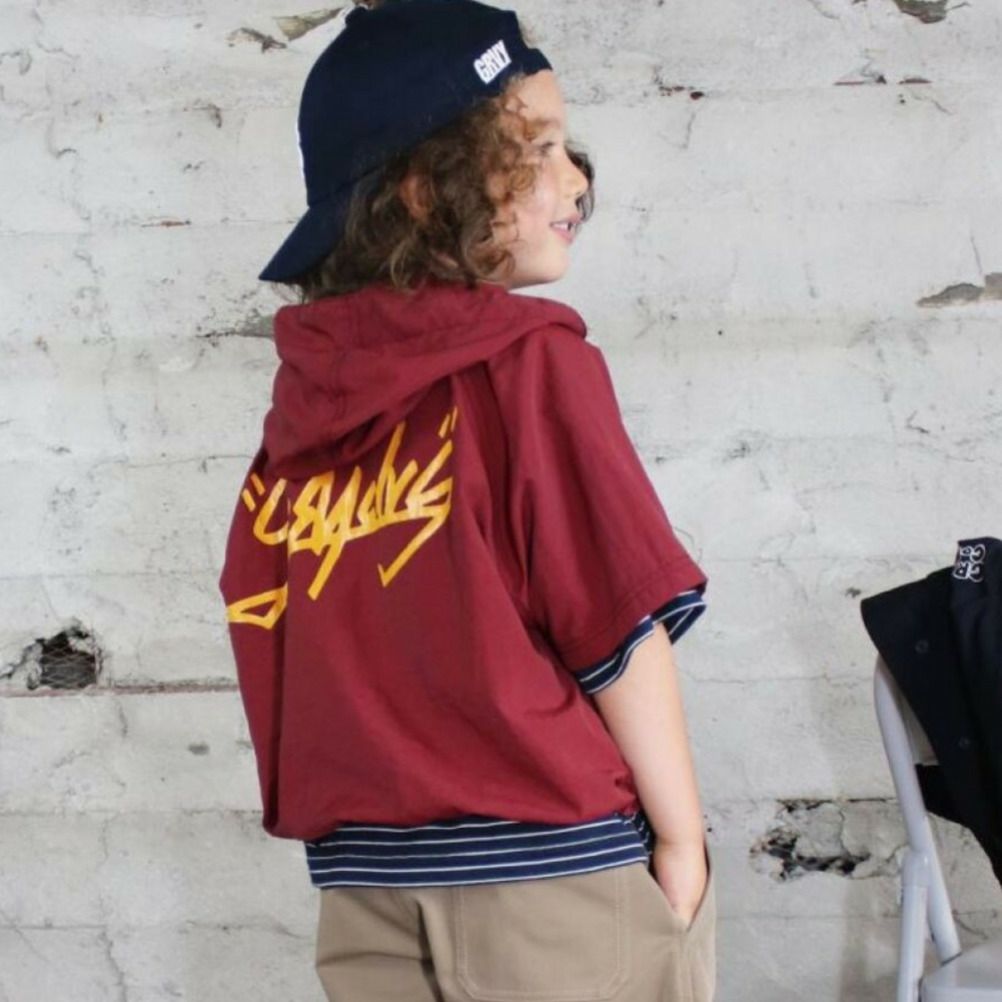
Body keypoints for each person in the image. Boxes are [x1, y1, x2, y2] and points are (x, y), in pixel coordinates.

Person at [218, 1, 716, 999]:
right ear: (425, 191)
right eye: (533, 148)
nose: (574, 180)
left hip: (364, 890)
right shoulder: (530, 366)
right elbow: (616, 630)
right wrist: (682, 839)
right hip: (552, 883)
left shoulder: (302, 412)